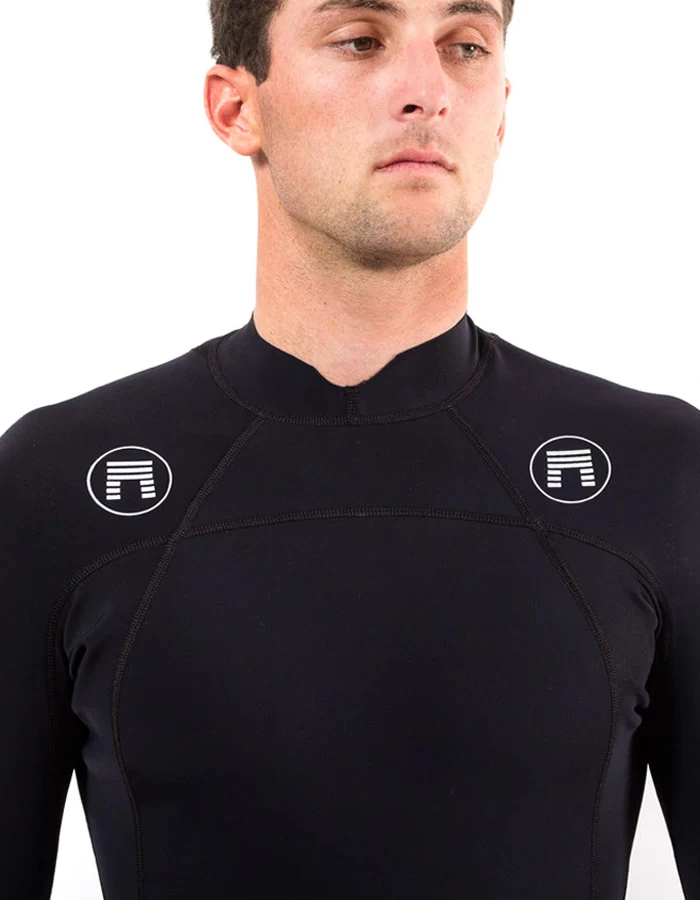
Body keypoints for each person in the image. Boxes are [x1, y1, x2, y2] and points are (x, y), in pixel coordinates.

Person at [1, 0, 698, 897]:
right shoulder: (55, 485)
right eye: (362, 40)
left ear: (501, 112)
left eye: (465, 46)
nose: (427, 90)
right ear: (236, 108)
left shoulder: (658, 473)